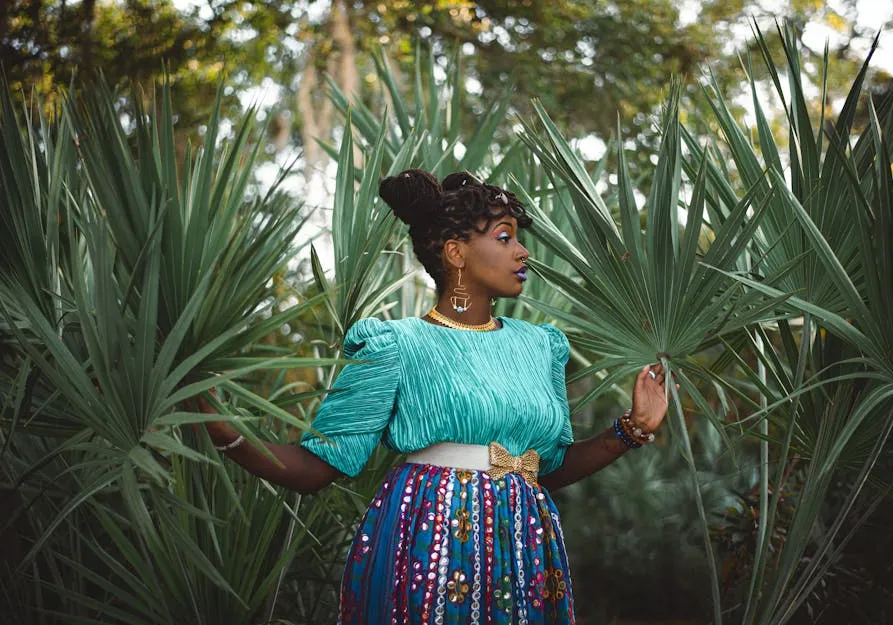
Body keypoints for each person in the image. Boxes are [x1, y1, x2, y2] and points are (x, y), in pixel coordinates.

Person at [198, 169, 669, 624]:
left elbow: (545, 469)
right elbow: (317, 468)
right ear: (456, 253)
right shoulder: (394, 346)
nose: (523, 252)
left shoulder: (539, 345)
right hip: (431, 541)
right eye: (505, 238)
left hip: (524, 545)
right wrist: (228, 435)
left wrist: (631, 429)